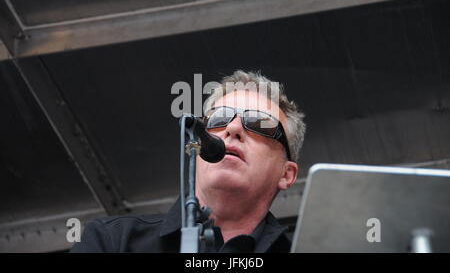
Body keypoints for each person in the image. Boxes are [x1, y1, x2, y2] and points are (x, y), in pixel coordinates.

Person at [70, 70, 306, 253]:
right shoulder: (114, 241)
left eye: (259, 124)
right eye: (219, 118)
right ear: (199, 142)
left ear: (287, 174)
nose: (233, 128)